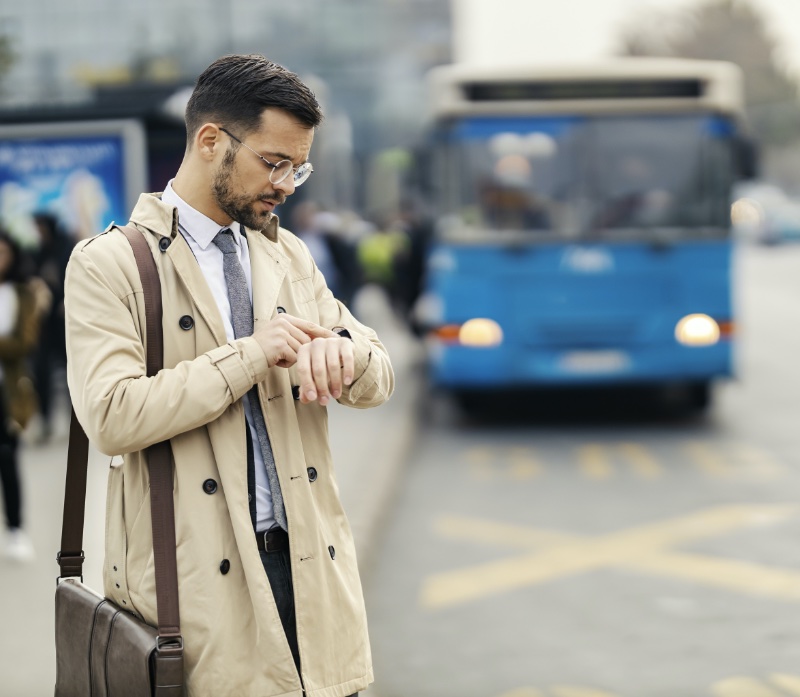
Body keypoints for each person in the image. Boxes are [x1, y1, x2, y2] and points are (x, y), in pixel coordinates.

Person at [64, 54, 394, 696]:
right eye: (273, 163)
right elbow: (109, 415)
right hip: (195, 586)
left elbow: (377, 370)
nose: (287, 184)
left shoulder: (285, 251)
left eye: (298, 167)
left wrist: (344, 354)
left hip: (310, 567)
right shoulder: (111, 263)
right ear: (210, 140)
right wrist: (251, 353)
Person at [0, 229, 46, 561]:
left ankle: (16, 528)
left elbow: (24, 342)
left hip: (8, 391)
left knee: (7, 459)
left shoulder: (23, 292)